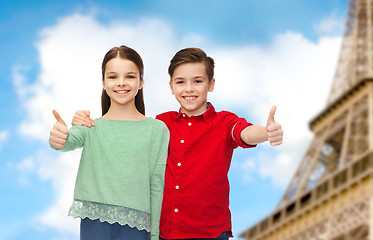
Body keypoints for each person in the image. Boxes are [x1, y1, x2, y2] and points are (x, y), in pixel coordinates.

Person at [72, 47, 283, 240]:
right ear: (171, 87)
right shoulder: (160, 124)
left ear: (211, 84)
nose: (189, 89)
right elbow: (127, 135)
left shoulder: (223, 122)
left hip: (209, 233)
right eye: (181, 82)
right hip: (166, 233)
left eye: (198, 81)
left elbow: (244, 133)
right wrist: (84, 122)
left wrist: (266, 132)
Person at [49, 45, 169, 240]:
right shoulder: (89, 126)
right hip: (94, 223)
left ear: (141, 82)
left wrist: (155, 235)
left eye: (130, 76)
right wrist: (59, 138)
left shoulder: (157, 129)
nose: (121, 83)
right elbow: (68, 141)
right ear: (103, 83)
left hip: (138, 226)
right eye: (113, 77)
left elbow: (157, 184)